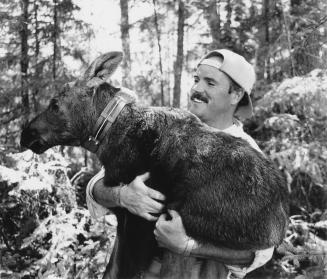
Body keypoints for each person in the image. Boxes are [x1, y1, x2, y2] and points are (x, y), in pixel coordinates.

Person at [86, 49, 275, 278]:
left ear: (235, 95)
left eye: (210, 83)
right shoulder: (165, 127)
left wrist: (189, 246)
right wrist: (122, 195)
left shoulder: (248, 158)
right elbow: (96, 186)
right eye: (196, 79)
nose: (197, 89)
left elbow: (261, 250)